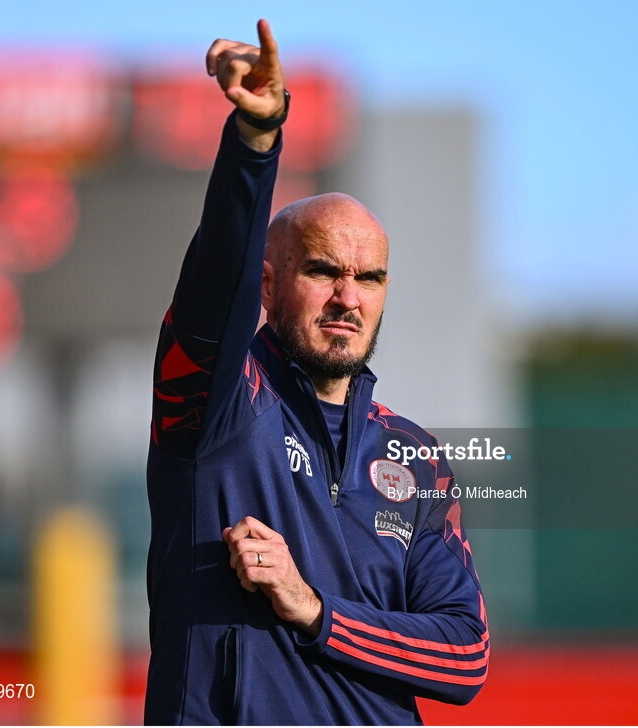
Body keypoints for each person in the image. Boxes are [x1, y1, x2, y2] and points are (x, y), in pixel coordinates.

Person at [144, 19, 489, 725]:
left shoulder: (415, 458)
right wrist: (255, 141)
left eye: (370, 278)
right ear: (268, 286)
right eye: (325, 271)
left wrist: (315, 610)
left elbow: (464, 656)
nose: (348, 298)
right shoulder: (218, 404)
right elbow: (214, 286)